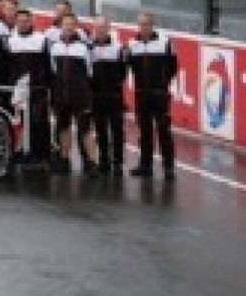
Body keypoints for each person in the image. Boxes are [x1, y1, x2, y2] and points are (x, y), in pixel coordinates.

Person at [127, 13, 177, 180]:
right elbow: (130, 68)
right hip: (141, 94)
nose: (144, 28)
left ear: (152, 25)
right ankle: (145, 165)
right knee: (145, 131)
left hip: (160, 94)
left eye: (147, 24)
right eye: (141, 24)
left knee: (164, 130)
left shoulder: (164, 43)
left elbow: (173, 67)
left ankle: (168, 166)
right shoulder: (132, 45)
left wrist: (162, 84)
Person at [49, 15, 98, 178]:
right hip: (61, 95)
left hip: (81, 95)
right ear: (61, 26)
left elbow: (90, 72)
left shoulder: (85, 47)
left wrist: (85, 91)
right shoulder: (54, 47)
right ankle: (64, 160)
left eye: (71, 24)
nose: (68, 27)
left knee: (86, 129)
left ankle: (92, 163)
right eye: (66, 24)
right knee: (63, 128)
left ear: (76, 26)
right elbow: (53, 71)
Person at [6, 9, 52, 172]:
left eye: (26, 21)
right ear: (16, 22)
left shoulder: (41, 39)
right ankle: (18, 154)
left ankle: (42, 157)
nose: (23, 23)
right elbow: (6, 66)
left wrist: (46, 86)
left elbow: (48, 66)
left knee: (39, 122)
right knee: (17, 122)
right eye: (20, 21)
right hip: (17, 90)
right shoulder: (9, 40)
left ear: (31, 21)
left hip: (37, 89)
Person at [89, 18, 126, 176]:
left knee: (117, 130)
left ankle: (117, 162)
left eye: (103, 27)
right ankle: (104, 160)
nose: (100, 30)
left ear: (109, 28)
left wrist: (115, 85)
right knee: (100, 129)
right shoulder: (88, 47)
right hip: (96, 96)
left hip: (114, 95)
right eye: (97, 27)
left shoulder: (118, 47)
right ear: (94, 28)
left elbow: (123, 72)